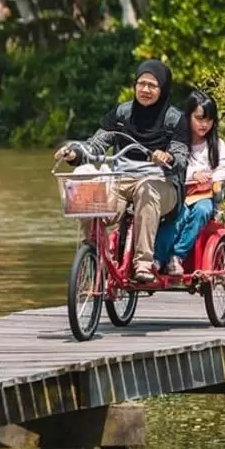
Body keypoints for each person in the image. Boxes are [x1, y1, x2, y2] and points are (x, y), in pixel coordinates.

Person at [55, 59, 187, 282]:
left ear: (162, 89)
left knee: (147, 191)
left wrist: (167, 156)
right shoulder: (121, 114)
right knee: (91, 199)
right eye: (141, 83)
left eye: (152, 86)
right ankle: (94, 254)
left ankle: (143, 263)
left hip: (161, 183)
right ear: (134, 85)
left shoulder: (175, 119)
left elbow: (182, 157)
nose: (145, 90)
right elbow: (96, 144)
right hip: (121, 179)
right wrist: (75, 153)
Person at [155, 90, 225, 276]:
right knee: (178, 217)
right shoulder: (178, 143)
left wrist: (210, 177)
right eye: (199, 118)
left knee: (202, 210)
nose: (204, 124)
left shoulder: (216, 144)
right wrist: (193, 174)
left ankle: (177, 256)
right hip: (181, 194)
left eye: (209, 119)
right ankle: (157, 258)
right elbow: (169, 166)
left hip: (204, 195)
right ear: (188, 116)